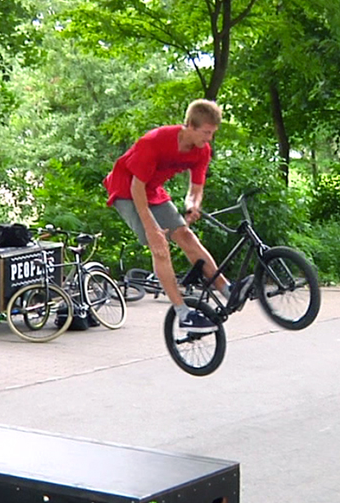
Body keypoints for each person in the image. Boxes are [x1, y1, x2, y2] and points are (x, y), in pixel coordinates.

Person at [105, 99, 250, 333]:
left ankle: (227, 290)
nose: (209, 138)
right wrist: (152, 229)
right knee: (159, 246)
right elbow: (136, 188)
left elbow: (196, 188)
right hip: (126, 191)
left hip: (153, 190)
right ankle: (183, 314)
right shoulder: (154, 142)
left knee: (186, 235)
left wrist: (192, 205)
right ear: (190, 126)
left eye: (213, 133)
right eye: (206, 132)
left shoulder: (202, 150)